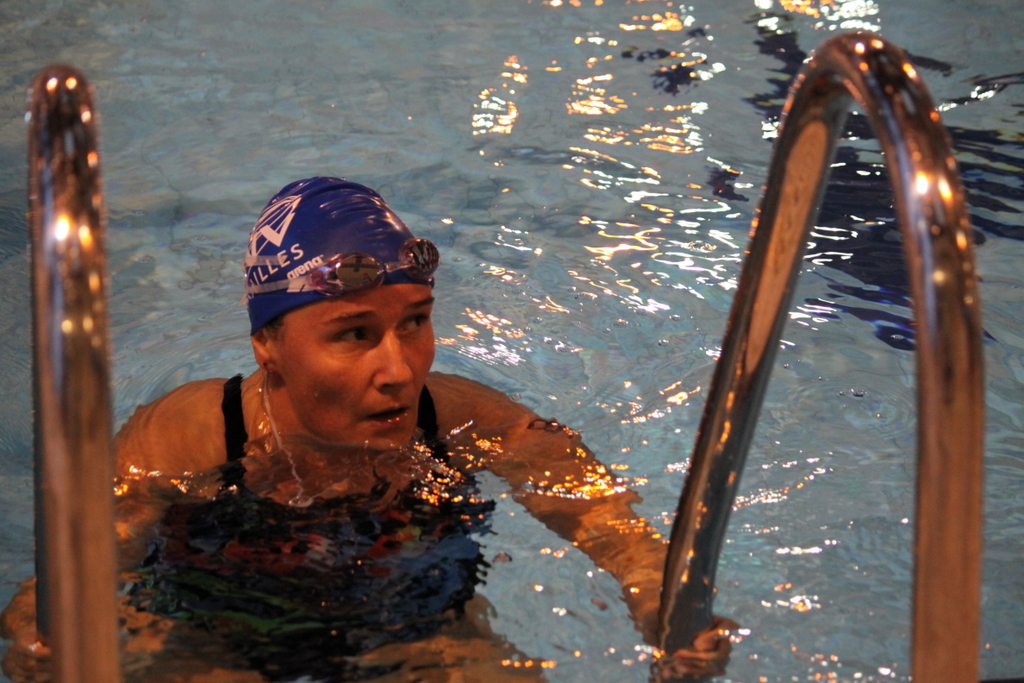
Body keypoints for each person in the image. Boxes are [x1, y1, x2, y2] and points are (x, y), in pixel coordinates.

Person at [2, 177, 734, 682]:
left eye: (415, 322)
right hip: (214, 633)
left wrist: (653, 591)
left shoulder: (464, 418)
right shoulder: (190, 435)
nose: (400, 368)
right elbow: (79, 569)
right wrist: (42, 630)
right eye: (354, 333)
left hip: (417, 626)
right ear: (268, 344)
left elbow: (605, 515)